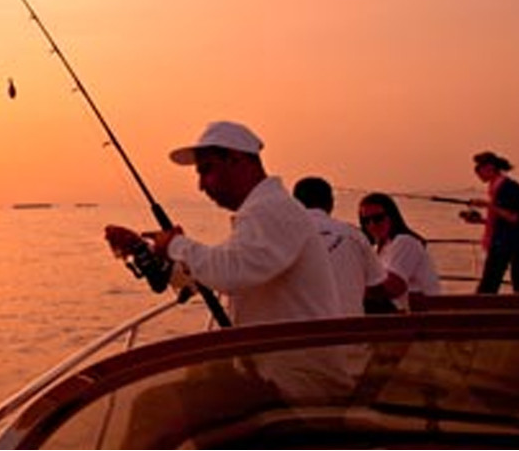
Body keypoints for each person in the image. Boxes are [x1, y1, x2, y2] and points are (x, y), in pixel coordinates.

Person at [104, 121, 350, 446]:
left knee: (152, 406)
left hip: (297, 383)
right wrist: (144, 249)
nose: (200, 186)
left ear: (237, 159)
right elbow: (217, 272)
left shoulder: (272, 210)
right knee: (191, 381)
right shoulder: (265, 212)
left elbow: (231, 274)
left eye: (206, 170)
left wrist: (176, 245)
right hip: (274, 372)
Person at [293, 176, 386, 316]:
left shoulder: (283, 236)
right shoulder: (355, 235)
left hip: (301, 325)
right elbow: (377, 285)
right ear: (331, 203)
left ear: (294, 204)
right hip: (350, 324)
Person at [463, 151, 519, 294]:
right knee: (489, 284)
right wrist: (480, 220)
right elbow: (503, 221)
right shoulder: (496, 188)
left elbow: (514, 217)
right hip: (503, 243)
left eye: (478, 168)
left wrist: (488, 205)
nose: (477, 173)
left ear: (490, 168)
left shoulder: (509, 187)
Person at [358, 192, 441, 311]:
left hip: (417, 313)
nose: (372, 225)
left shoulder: (405, 242)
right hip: (398, 311)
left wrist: (354, 287)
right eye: (366, 220)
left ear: (392, 216)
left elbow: (393, 288)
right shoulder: (379, 249)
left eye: (378, 218)